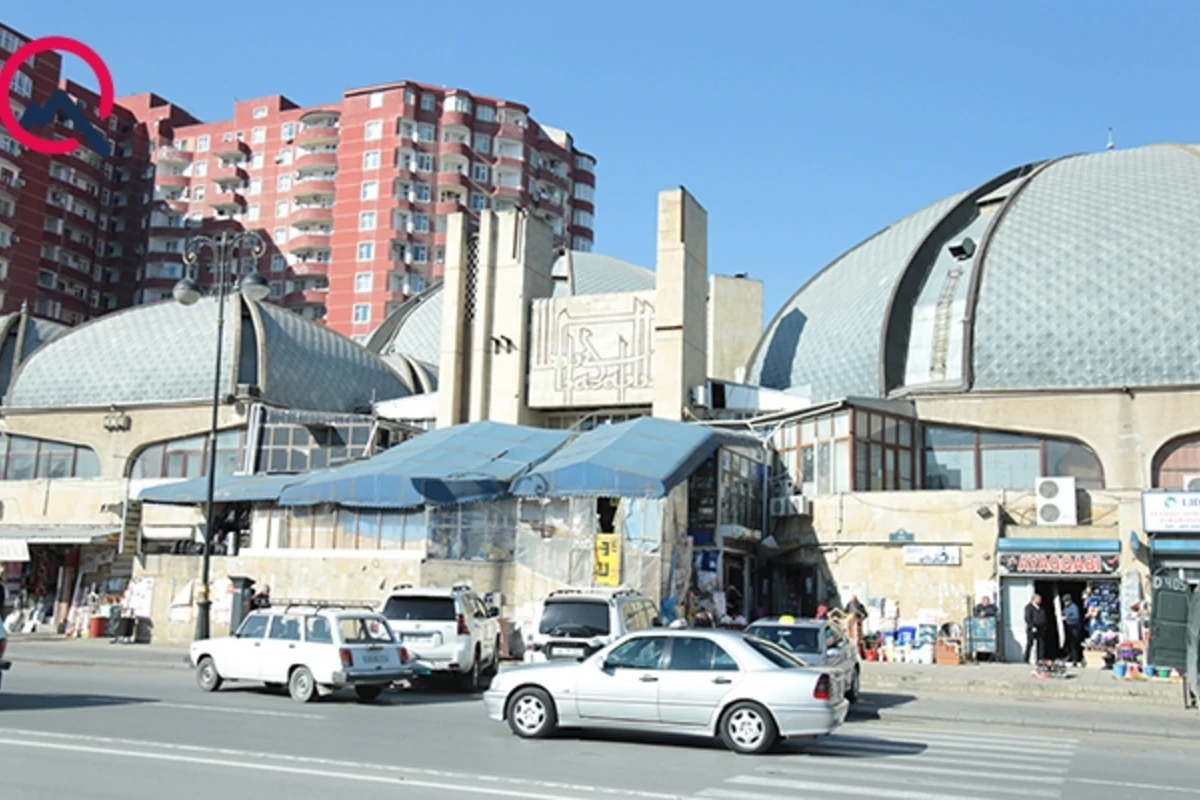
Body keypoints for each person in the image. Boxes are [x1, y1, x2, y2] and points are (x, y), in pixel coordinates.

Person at [1023, 594, 1047, 663]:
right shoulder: (1029, 607)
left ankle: (1040, 660)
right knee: (1030, 643)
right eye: (1039, 599)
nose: (1040, 600)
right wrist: (1032, 626)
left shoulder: (1041, 608)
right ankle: (1026, 659)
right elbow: (1027, 618)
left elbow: (1043, 616)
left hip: (1041, 628)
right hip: (1032, 628)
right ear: (1034, 599)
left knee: (1041, 644)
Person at [1062, 594, 1084, 666]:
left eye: (1066, 601)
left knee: (1074, 644)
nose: (1065, 603)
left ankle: (1075, 660)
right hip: (1068, 627)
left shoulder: (1074, 607)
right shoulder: (1066, 607)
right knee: (1066, 643)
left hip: (1075, 628)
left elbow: (1076, 618)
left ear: (1070, 601)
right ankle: (1069, 656)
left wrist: (1067, 618)